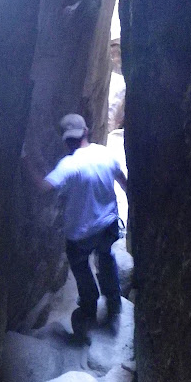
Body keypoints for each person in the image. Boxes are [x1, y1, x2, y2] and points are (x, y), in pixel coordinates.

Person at [23, 113, 127, 341]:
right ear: (86, 132)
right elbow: (123, 181)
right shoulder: (105, 154)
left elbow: (43, 187)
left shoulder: (69, 165)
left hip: (81, 234)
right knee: (106, 257)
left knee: (80, 266)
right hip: (108, 225)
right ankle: (114, 303)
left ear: (65, 139)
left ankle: (89, 308)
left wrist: (25, 159)